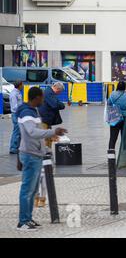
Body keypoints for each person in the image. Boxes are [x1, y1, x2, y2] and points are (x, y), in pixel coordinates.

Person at [16, 87, 67, 232]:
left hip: (34, 154)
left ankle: (28, 218)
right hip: (30, 155)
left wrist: (45, 149)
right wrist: (52, 131)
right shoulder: (27, 113)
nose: (43, 100)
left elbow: (29, 134)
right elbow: (32, 132)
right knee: (27, 189)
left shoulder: (32, 111)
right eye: (42, 98)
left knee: (32, 190)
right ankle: (23, 222)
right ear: (36, 98)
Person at [38, 82, 66, 149]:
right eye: (60, 92)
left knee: (49, 137)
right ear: (57, 89)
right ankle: (45, 154)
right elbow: (55, 105)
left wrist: (59, 103)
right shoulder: (48, 93)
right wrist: (62, 105)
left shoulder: (50, 92)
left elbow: (57, 103)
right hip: (44, 119)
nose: (59, 94)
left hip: (47, 119)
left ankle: (48, 153)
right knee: (46, 138)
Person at [107, 81, 126, 150]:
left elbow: (109, 104)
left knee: (113, 138)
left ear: (117, 87)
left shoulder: (112, 94)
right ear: (124, 87)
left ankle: (111, 157)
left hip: (115, 117)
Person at [9, 81, 24, 155]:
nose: (23, 86)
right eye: (22, 84)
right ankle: (13, 148)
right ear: (19, 85)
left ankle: (17, 147)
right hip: (16, 114)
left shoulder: (18, 92)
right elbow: (15, 107)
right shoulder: (14, 94)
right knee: (17, 130)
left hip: (19, 114)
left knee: (19, 130)